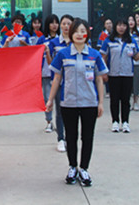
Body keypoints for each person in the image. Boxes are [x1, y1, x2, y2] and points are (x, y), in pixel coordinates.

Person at [46, 18, 108, 187]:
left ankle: (84, 169)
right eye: (76, 31)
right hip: (69, 103)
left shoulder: (94, 55)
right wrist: (50, 100)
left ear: (87, 34)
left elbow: (99, 80)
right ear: (71, 33)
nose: (80, 34)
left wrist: (101, 103)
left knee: (87, 137)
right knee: (71, 137)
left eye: (83, 31)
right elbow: (56, 78)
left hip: (90, 103)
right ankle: (72, 167)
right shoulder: (63, 54)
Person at [100, 18, 139, 133]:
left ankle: (125, 122)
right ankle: (115, 122)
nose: (121, 28)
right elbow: (103, 57)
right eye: (119, 25)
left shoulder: (131, 41)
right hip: (113, 74)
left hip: (127, 74)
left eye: (123, 25)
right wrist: (104, 72)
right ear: (115, 27)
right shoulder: (109, 40)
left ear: (127, 27)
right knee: (114, 99)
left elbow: (136, 57)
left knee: (125, 100)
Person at [46, 14, 73, 152]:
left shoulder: (77, 42)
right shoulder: (54, 42)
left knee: (73, 112)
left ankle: (71, 138)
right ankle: (61, 138)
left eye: (69, 24)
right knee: (60, 111)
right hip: (59, 82)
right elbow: (51, 64)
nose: (66, 26)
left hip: (74, 83)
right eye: (64, 24)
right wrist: (47, 53)